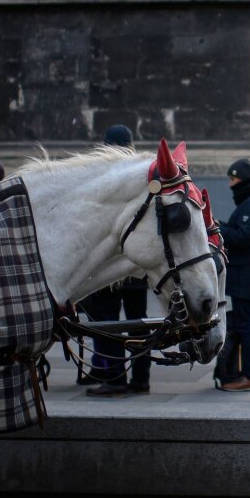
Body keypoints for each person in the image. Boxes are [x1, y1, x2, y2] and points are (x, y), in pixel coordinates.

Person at [80, 125, 155, 397]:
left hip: (109, 265)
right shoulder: (143, 174)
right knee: (138, 321)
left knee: (108, 321)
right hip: (135, 264)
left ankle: (113, 378)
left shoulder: (103, 176)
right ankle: (141, 379)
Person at [216, 158, 250, 392]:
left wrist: (218, 227)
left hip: (246, 272)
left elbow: (242, 238)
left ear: (244, 180)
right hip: (244, 271)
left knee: (246, 323)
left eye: (233, 179)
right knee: (243, 320)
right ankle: (246, 370)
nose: (230, 185)